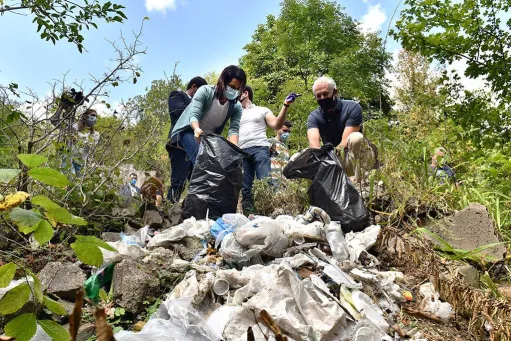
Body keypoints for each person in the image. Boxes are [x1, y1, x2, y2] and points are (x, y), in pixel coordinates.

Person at [238, 87, 299, 211]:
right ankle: (248, 214)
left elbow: (276, 125)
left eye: (237, 91)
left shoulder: (262, 110)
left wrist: (285, 105)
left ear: (245, 93)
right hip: (241, 151)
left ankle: (268, 212)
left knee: (265, 182)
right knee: (245, 187)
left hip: (259, 148)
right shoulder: (235, 113)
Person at [171, 65, 246, 164]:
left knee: (218, 165)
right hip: (189, 130)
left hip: (209, 138)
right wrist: (197, 129)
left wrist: (235, 150)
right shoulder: (205, 91)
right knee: (202, 162)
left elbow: (233, 130)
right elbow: (194, 114)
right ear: (223, 81)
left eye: (237, 88)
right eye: (232, 86)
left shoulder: (236, 107)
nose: (234, 90)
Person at [307, 76, 373, 182]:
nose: (322, 98)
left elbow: (344, 142)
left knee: (356, 137)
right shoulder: (314, 116)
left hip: (351, 156)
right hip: (333, 159)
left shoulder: (353, 107)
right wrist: (322, 160)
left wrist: (331, 158)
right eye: (318, 96)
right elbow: (314, 142)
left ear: (335, 92)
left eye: (325, 94)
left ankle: (358, 179)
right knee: (297, 157)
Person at [166, 76, 208, 203]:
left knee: (196, 180)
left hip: (194, 145)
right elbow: (178, 111)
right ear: (194, 87)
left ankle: (193, 209)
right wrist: (197, 110)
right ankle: (170, 207)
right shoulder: (177, 95)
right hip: (179, 143)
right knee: (178, 180)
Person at [68, 109, 100, 174]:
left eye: (96, 117)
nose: (94, 118)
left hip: (81, 162)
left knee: (77, 182)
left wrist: (77, 140)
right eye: (93, 115)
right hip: (69, 158)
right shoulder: (74, 127)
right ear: (85, 116)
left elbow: (91, 146)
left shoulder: (95, 134)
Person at [268, 120, 293, 186]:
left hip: (284, 181)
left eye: (289, 131)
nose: (287, 133)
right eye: (284, 130)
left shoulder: (286, 147)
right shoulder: (270, 142)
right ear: (277, 129)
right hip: (273, 179)